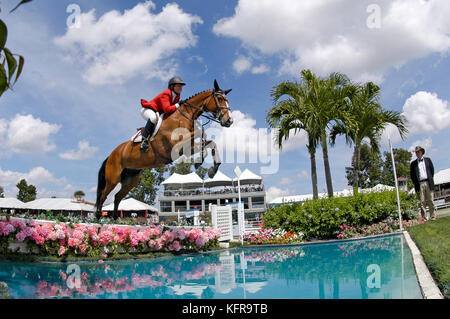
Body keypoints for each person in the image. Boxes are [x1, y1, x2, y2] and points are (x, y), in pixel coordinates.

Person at [139, 77, 186, 152]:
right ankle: (144, 141)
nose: (181, 88)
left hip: (158, 112)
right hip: (148, 110)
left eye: (181, 86)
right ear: (172, 86)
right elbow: (167, 110)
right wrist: (177, 105)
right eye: (179, 86)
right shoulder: (166, 93)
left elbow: (172, 110)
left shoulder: (177, 96)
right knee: (153, 118)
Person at [410, 146, 436, 220]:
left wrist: (430, 179)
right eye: (416, 152)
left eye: (418, 152)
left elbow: (432, 171)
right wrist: (416, 183)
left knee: (431, 200)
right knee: (422, 202)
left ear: (422, 152)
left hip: (428, 182)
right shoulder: (413, 164)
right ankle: (424, 217)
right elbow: (412, 175)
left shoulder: (428, 160)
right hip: (419, 184)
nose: (417, 153)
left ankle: (432, 216)